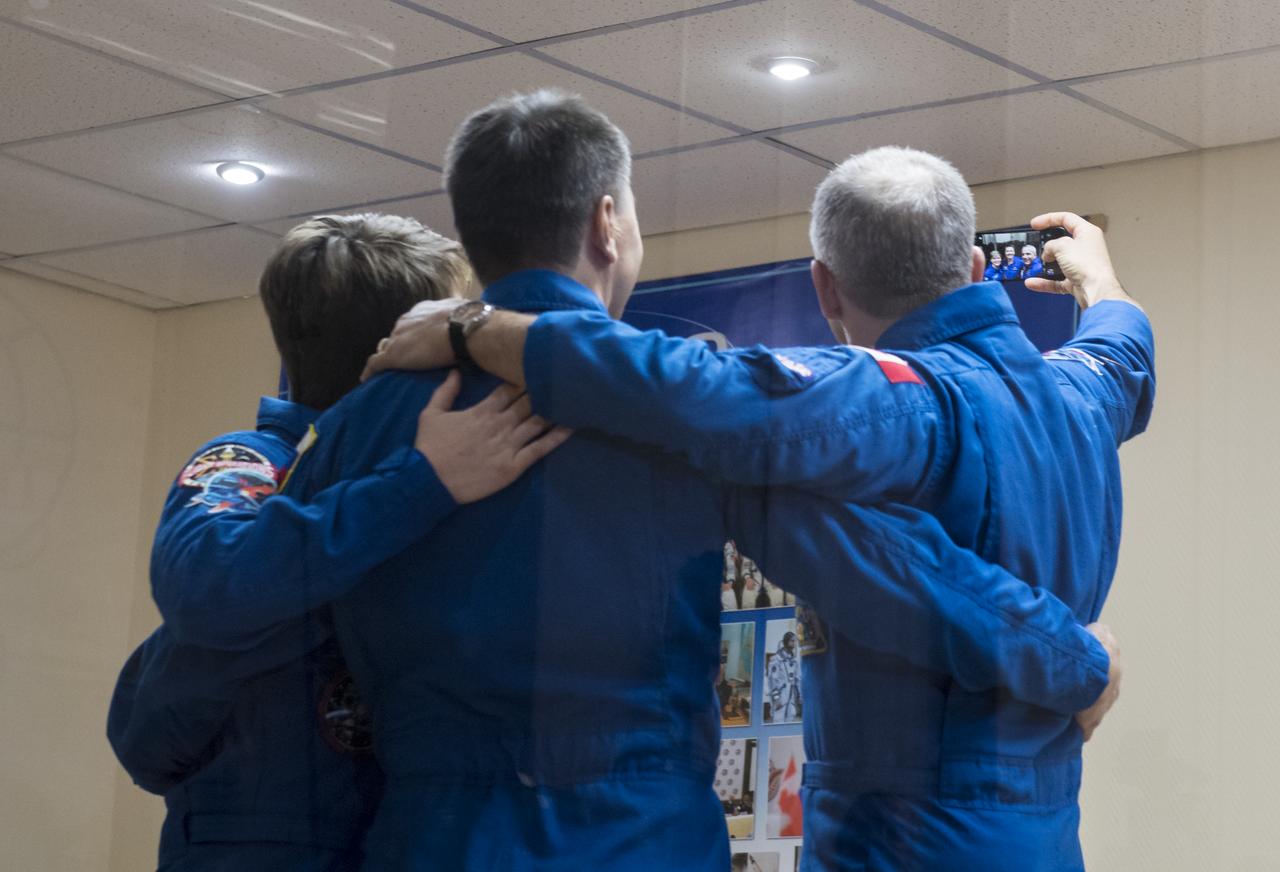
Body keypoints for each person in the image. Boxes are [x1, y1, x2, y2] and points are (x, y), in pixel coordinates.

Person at [285, 93, 1120, 869]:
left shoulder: (356, 423)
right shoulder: (669, 428)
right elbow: (895, 578)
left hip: (418, 837)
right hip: (633, 838)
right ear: (607, 224)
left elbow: (267, 645)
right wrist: (1075, 659)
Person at [107, 214, 568, 871]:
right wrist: (418, 485)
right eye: (448, 333)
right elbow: (208, 588)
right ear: (402, 349)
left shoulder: (465, 482)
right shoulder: (253, 464)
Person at [766, 631, 801, 723]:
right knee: (778, 720)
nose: (794, 643)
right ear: (786, 642)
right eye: (792, 641)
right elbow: (772, 682)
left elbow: (798, 679)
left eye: (795, 641)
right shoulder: (776, 660)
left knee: (791, 717)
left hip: (791, 697)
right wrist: (776, 699)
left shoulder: (794, 661)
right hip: (780, 697)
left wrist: (800, 695)